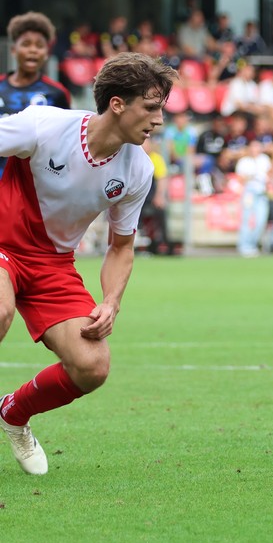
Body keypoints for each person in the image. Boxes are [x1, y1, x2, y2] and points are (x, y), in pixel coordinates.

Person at [0, 52, 176, 474]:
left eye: (162, 110)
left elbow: (120, 247)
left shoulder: (138, 169)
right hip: (2, 243)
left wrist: (112, 301)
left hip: (53, 263)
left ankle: (13, 413)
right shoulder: (44, 126)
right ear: (117, 103)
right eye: (150, 108)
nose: (159, 121)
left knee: (92, 366)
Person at [0, 12, 72, 177]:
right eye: (26, 44)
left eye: (39, 45)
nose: (32, 50)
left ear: (46, 53)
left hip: (35, 185)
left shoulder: (57, 93)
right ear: (13, 50)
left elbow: (66, 142)